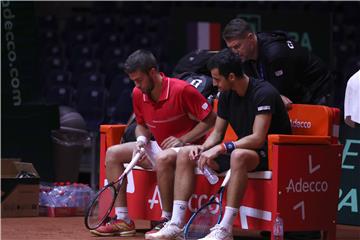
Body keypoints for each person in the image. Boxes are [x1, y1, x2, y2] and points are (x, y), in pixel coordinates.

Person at [146, 49, 292, 240]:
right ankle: (176, 223)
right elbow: (216, 133)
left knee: (238, 156)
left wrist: (223, 147)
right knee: (186, 154)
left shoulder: (263, 93)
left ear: (231, 76)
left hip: (270, 152)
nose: (214, 84)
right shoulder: (225, 95)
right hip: (239, 150)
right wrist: (204, 148)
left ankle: (225, 228)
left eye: (217, 79)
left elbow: (257, 138)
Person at [90, 49, 216, 237]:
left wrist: (183, 139)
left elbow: (210, 120)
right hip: (159, 145)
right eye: (133, 81)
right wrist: (141, 140)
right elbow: (141, 125)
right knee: (113, 153)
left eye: (139, 80)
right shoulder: (138, 93)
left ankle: (166, 219)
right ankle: (123, 219)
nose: (137, 85)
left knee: (163, 158)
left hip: (188, 149)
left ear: (153, 72)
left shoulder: (182, 90)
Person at [222, 18, 334, 109]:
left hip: (317, 89)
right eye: (230, 48)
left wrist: (273, 97)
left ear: (250, 38)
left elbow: (284, 99)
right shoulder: (245, 56)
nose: (234, 53)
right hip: (295, 91)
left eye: (237, 46)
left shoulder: (275, 54)